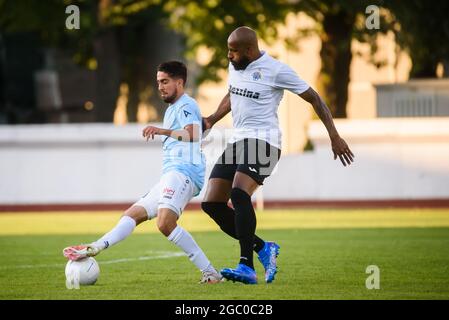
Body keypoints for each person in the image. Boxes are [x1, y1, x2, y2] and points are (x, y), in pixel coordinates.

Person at [201, 26, 354, 285]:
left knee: (239, 194)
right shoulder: (235, 66)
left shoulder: (276, 70)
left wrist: (334, 136)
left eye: (234, 51)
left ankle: (246, 267)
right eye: (229, 50)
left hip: (265, 142)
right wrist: (213, 119)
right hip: (238, 140)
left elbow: (315, 98)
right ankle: (263, 248)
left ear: (250, 50)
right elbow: (232, 94)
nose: (229, 56)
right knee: (212, 204)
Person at [63, 61, 222, 284]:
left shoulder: (186, 104)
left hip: (182, 172)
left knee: (165, 223)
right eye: (158, 82)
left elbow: (193, 133)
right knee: (131, 215)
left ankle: (210, 272)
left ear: (180, 82)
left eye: (165, 81)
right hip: (172, 174)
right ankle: (96, 246)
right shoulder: (173, 109)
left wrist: (161, 130)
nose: (160, 87)